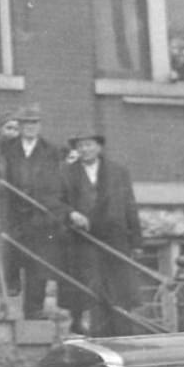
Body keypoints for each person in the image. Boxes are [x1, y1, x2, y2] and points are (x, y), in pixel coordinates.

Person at [60, 130, 144, 336]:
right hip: (83, 238)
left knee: (118, 287)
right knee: (90, 287)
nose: (84, 149)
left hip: (114, 237)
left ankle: (123, 333)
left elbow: (129, 205)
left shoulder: (118, 172)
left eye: (89, 145)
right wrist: (71, 213)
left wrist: (137, 241)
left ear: (99, 147)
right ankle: (95, 333)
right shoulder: (66, 172)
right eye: (80, 146)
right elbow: (56, 201)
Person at [0, 103, 66, 316]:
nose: (30, 127)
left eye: (34, 123)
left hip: (39, 218)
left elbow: (55, 184)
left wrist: (48, 208)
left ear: (40, 126)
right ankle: (10, 304)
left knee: (38, 267)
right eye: (26, 123)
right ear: (19, 125)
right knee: (12, 260)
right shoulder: (7, 149)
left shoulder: (51, 151)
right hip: (14, 216)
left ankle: (34, 311)